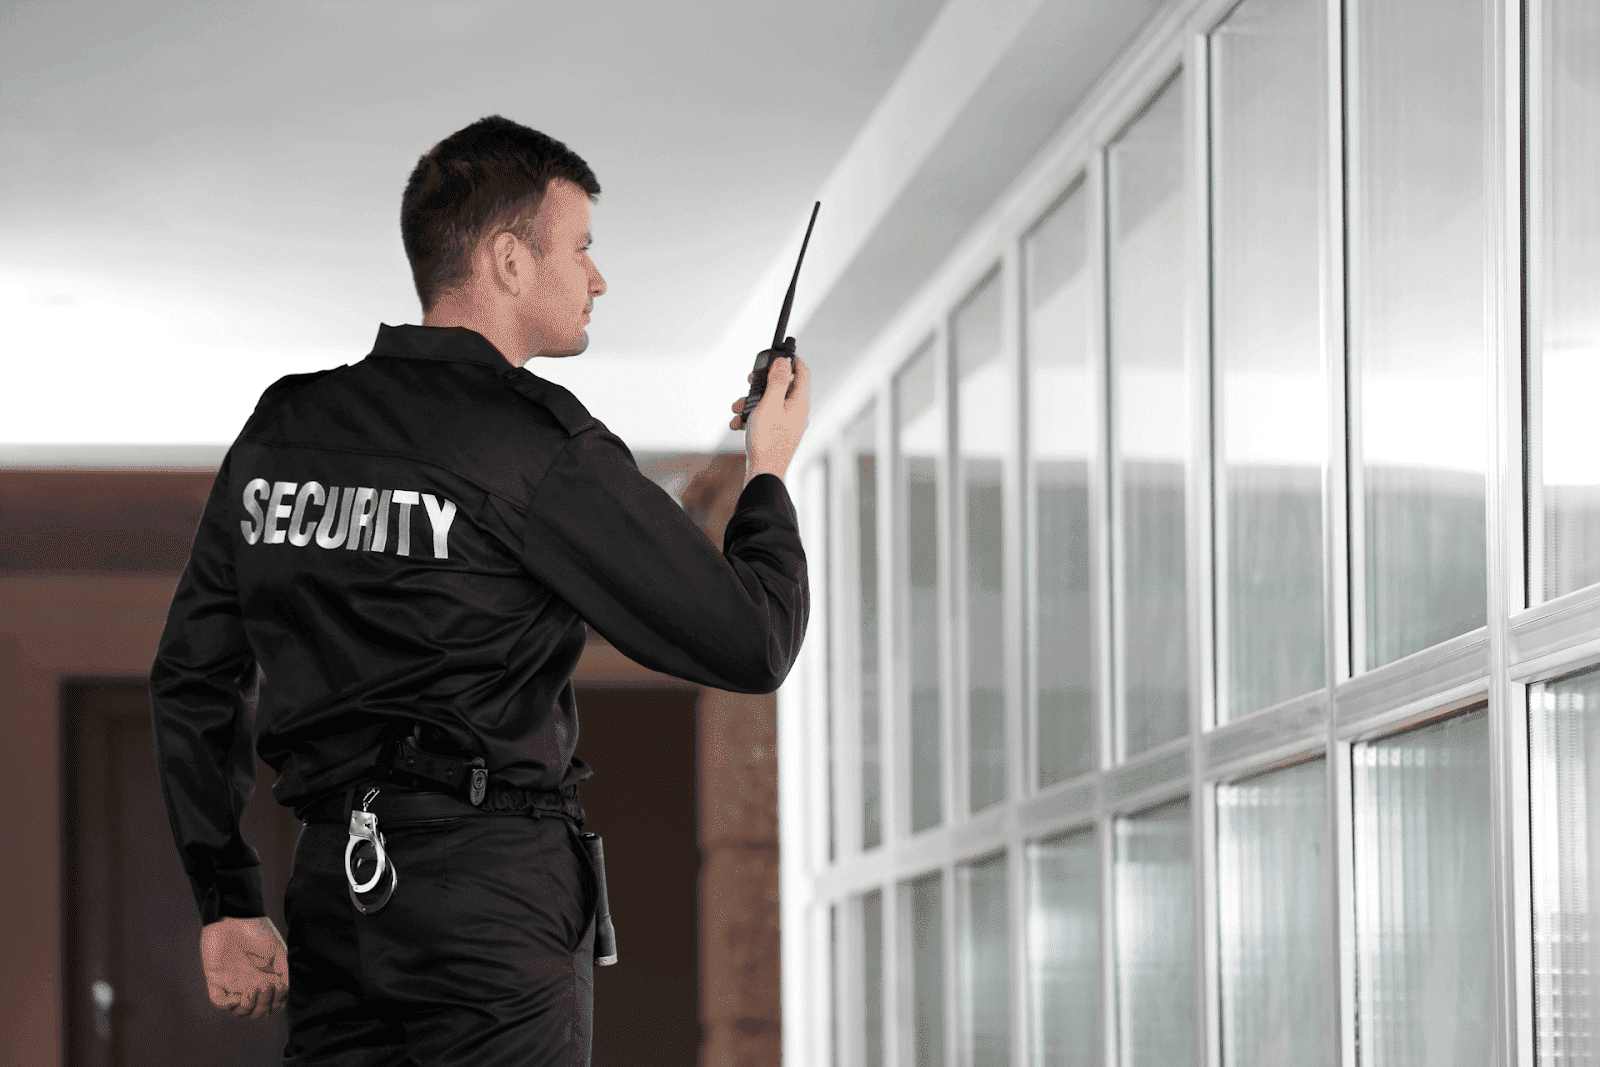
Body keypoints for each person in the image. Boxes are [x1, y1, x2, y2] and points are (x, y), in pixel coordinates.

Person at [150, 114, 810, 1067]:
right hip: (492, 900)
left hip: (335, 890)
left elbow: (192, 675)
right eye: (580, 247)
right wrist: (768, 469)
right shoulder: (535, 445)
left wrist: (226, 897)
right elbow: (753, 637)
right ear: (508, 259)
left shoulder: (283, 428)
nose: (597, 278)